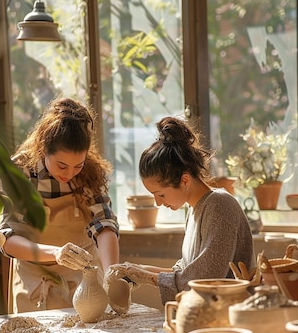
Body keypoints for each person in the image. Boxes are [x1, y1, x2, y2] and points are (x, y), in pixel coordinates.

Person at [103, 115, 255, 306]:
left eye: (161, 195)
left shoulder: (220, 205)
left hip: (232, 313)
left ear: (184, 180)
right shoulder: (195, 209)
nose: (158, 203)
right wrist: (136, 269)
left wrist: (145, 276)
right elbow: (183, 272)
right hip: (209, 311)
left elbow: (204, 280)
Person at [0, 97, 119, 313]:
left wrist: (112, 274)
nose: (70, 173)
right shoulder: (21, 171)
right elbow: (6, 239)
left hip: (83, 277)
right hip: (34, 277)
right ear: (44, 149)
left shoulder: (90, 172)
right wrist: (56, 253)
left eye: (78, 165)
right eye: (62, 165)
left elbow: (104, 224)